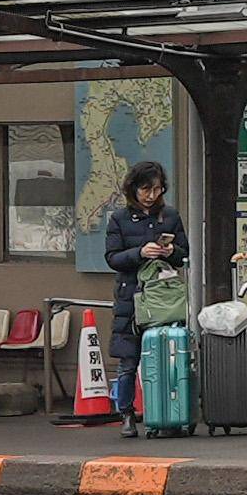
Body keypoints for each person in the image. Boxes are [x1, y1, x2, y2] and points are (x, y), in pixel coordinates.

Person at [101, 159, 187, 414]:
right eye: (145, 189)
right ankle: (126, 413)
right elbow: (112, 258)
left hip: (164, 296)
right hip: (132, 296)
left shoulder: (170, 215)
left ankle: (168, 412)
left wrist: (170, 251)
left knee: (168, 358)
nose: (151, 195)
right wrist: (140, 252)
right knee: (129, 361)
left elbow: (185, 253)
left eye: (157, 189)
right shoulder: (119, 219)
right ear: (133, 188)